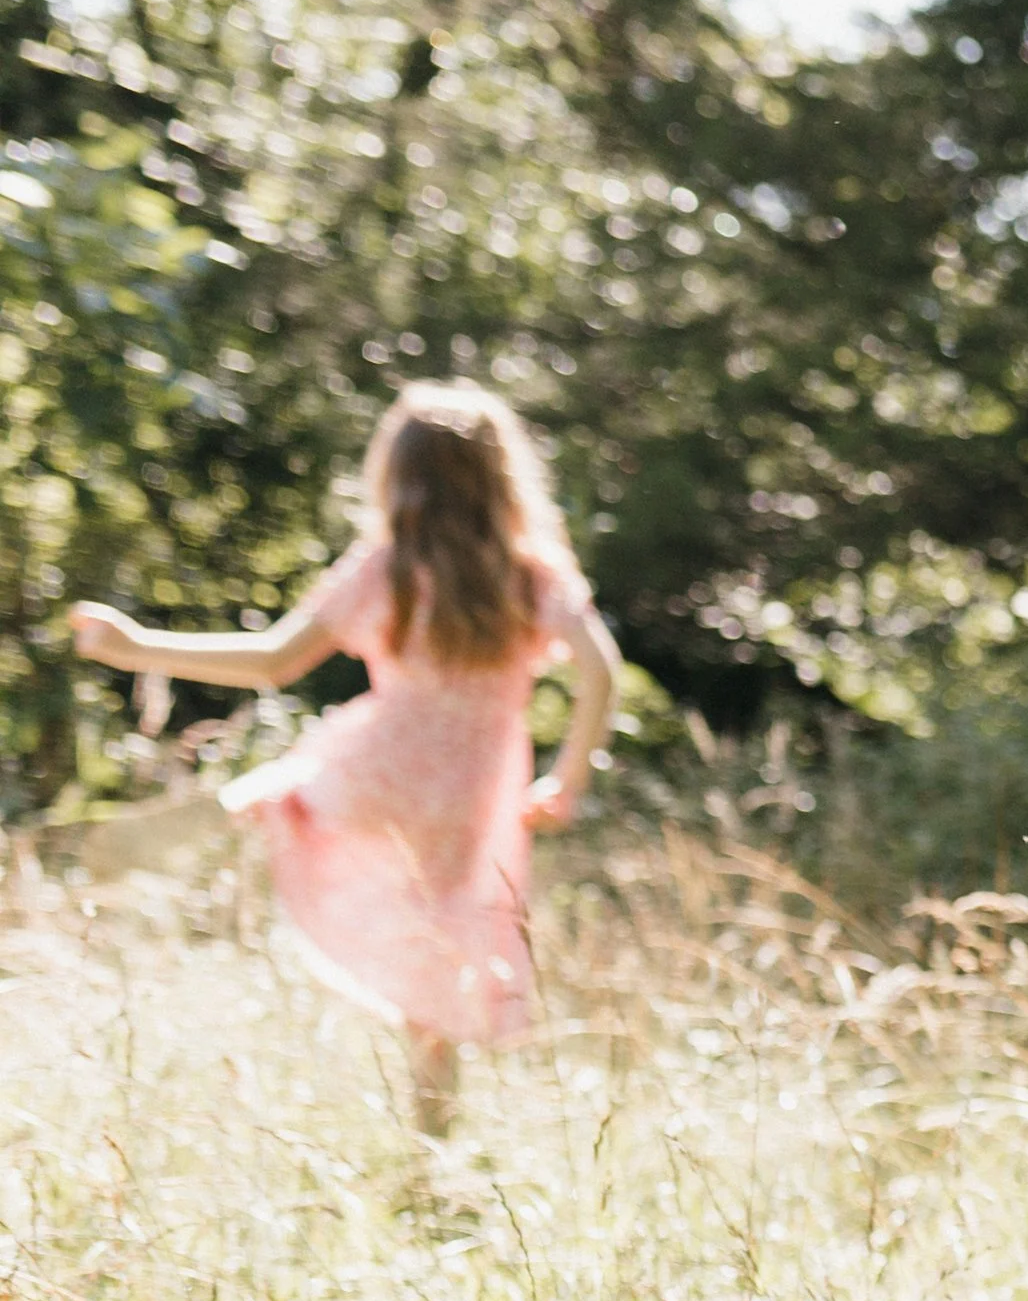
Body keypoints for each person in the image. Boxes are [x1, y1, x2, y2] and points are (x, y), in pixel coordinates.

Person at [71, 380, 620, 1137]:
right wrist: (567, 776)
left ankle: (234, 809)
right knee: (443, 947)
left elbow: (272, 661)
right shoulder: (533, 574)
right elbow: (602, 670)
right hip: (473, 786)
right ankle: (435, 1136)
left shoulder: (387, 565)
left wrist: (136, 646)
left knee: (301, 787)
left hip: (383, 760)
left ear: (398, 472)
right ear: (501, 475)